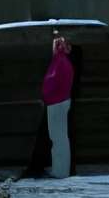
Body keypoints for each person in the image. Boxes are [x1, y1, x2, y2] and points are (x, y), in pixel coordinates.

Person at [41, 32, 76, 180]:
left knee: (58, 138)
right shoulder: (63, 62)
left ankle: (60, 171)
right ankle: (60, 169)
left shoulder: (60, 62)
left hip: (57, 103)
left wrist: (46, 95)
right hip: (60, 101)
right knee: (59, 138)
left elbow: (51, 82)